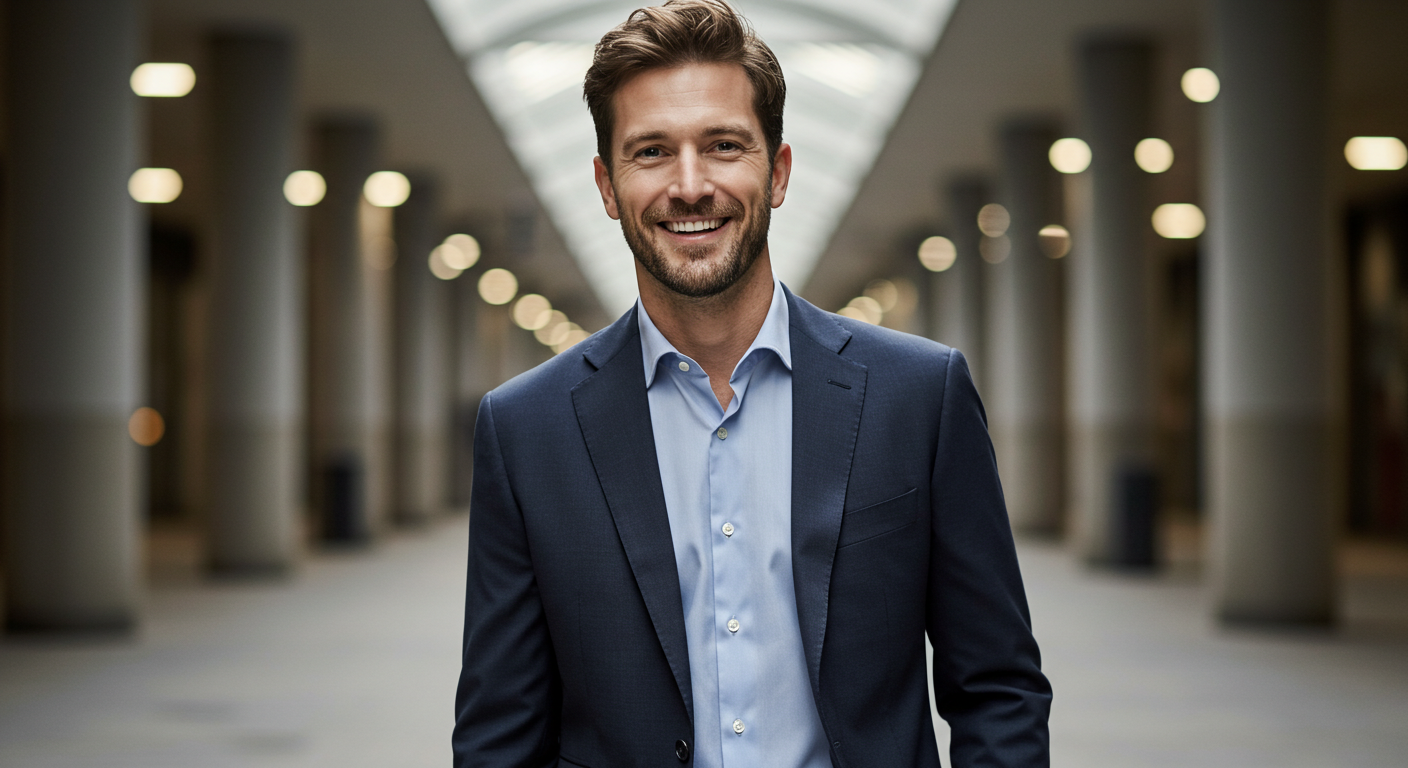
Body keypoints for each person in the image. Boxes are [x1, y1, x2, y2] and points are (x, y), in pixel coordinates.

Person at [452, 1, 1052, 766]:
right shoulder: (525, 429)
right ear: (607, 186)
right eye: (652, 152)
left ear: (779, 171)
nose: (691, 185)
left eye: (724, 145)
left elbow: (997, 689)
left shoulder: (918, 396)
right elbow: (500, 733)